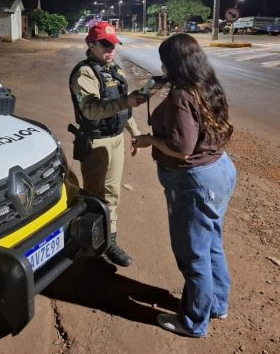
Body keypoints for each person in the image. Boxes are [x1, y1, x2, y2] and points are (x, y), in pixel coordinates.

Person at [133, 33, 238, 338]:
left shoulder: (182, 95)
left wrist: (150, 139)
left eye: (165, 61)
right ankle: (217, 304)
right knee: (211, 243)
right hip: (219, 171)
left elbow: (182, 148)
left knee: (192, 254)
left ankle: (193, 322)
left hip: (194, 181)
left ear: (174, 63)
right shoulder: (206, 83)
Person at [69, 21, 147, 267]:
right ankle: (91, 244)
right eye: (104, 44)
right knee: (95, 195)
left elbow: (123, 111)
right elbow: (91, 110)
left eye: (113, 44)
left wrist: (134, 132)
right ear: (90, 44)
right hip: (96, 143)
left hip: (115, 140)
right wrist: (126, 102)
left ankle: (108, 241)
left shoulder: (115, 70)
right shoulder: (84, 73)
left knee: (112, 195)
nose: (110, 49)